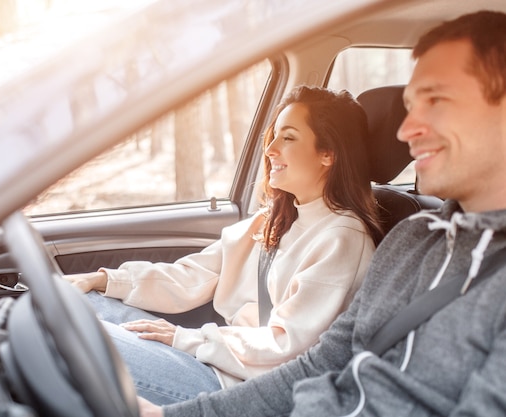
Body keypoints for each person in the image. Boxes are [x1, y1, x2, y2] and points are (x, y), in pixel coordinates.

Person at [138, 9, 506, 417]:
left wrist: (187, 343)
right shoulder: (414, 238)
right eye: (409, 107)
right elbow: (319, 366)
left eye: (436, 99)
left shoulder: (349, 235)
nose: (405, 131)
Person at [66, 85, 382, 405]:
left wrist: (186, 339)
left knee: (69, 335)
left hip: (237, 388)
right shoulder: (276, 217)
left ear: (328, 154)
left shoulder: (342, 239)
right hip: (214, 358)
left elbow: (287, 347)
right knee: (78, 302)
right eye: (273, 136)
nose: (270, 149)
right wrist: (104, 279)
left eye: (288, 137)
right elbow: (194, 274)